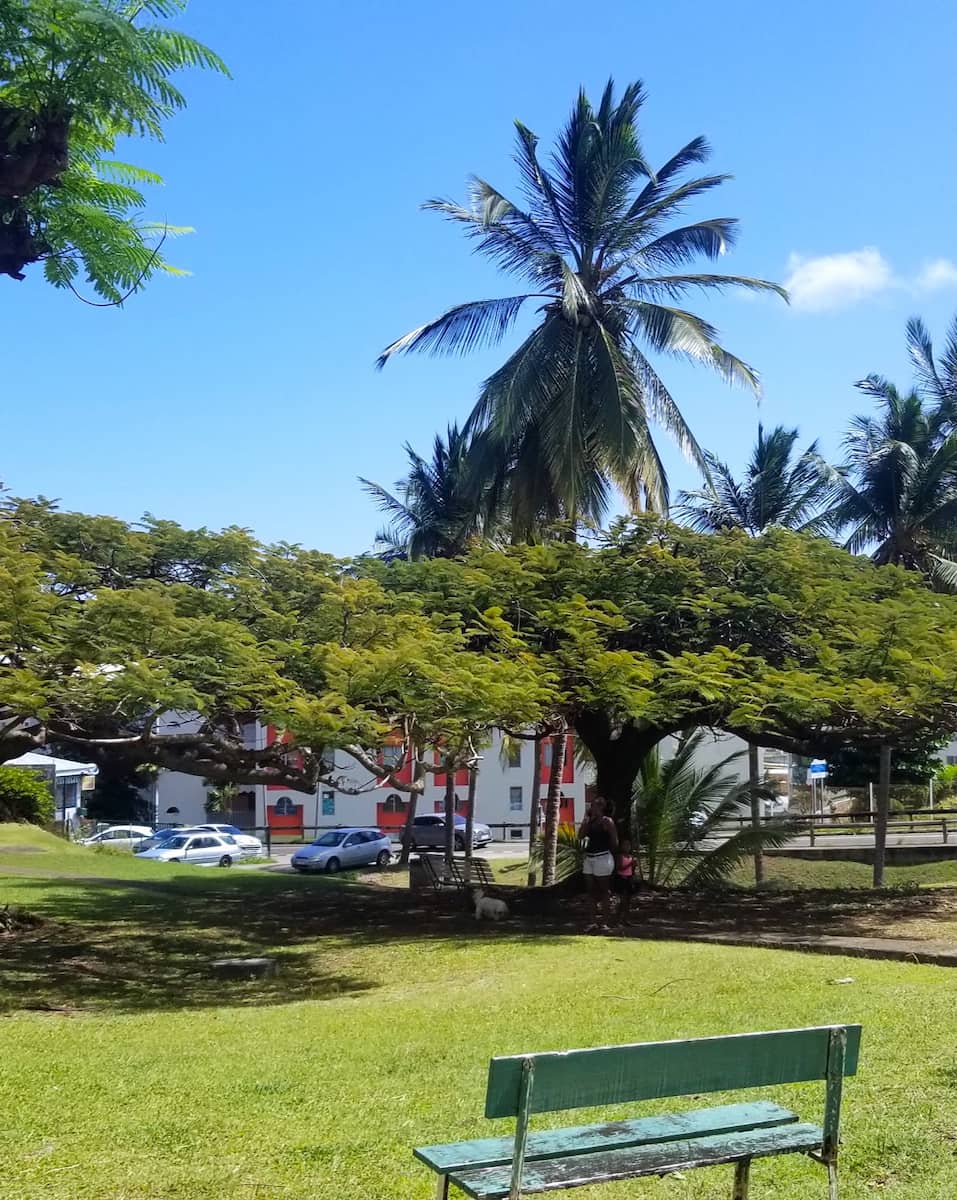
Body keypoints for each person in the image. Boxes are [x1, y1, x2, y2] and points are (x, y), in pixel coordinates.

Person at [579, 796, 618, 932]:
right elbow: (580, 836)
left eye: (594, 805)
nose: (591, 807)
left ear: (601, 807)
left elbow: (614, 842)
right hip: (589, 858)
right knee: (591, 891)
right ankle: (592, 922)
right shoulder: (590, 821)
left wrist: (610, 855)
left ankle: (605, 923)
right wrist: (586, 819)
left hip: (602, 858)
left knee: (604, 891)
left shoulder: (607, 821)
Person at [614, 837, 635, 923]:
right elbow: (619, 868)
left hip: (629, 878)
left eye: (628, 845)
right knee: (622, 900)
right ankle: (617, 919)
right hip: (621, 878)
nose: (627, 847)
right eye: (625, 845)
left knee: (628, 900)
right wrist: (630, 864)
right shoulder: (620, 856)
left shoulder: (631, 856)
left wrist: (633, 866)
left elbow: (631, 870)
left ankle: (626, 919)